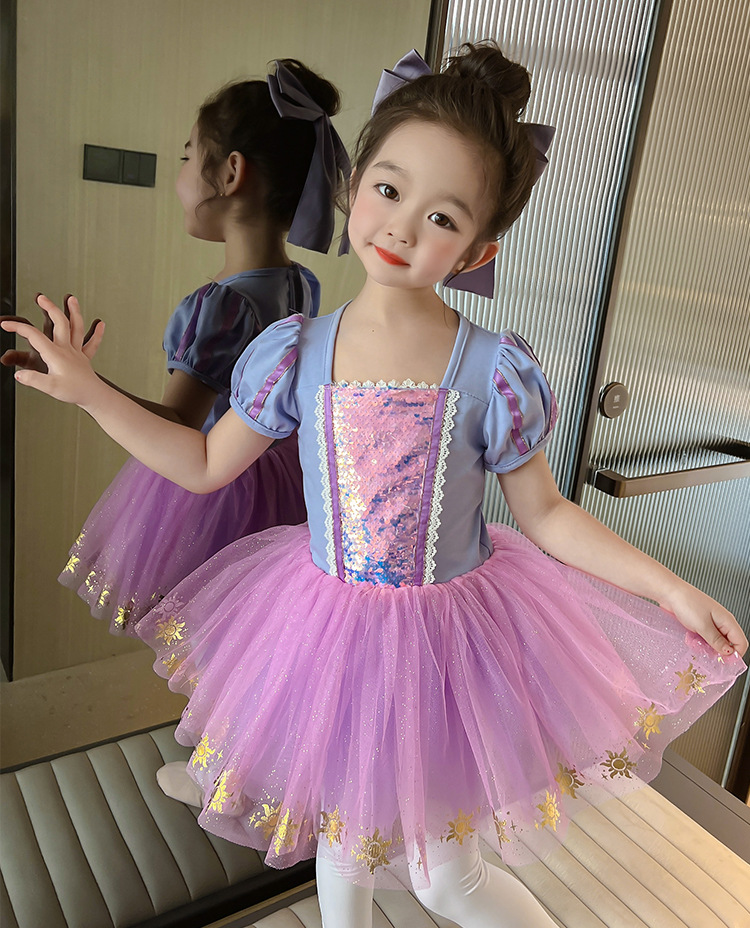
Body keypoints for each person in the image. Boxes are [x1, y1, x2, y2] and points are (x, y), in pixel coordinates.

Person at [4, 42, 746, 928]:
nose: (401, 229)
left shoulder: (496, 371)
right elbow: (202, 465)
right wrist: (88, 392)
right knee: (340, 843)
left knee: (445, 875)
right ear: (354, 187)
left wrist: (668, 589)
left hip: (452, 647)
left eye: (442, 217)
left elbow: (546, 514)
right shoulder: (294, 353)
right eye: (389, 191)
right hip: (322, 632)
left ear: (478, 249)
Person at [2, 59, 349, 634]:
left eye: (188, 155)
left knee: (198, 638)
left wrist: (84, 387)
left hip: (219, 494)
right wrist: (80, 375)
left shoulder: (220, 306)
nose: (182, 173)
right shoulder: (298, 283)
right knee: (250, 634)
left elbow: (180, 426)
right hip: (282, 480)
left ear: (230, 172)